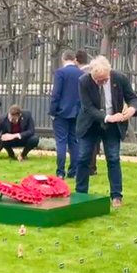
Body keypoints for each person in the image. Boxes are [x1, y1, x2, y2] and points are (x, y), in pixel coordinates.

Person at [74, 56, 137, 208]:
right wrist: (108, 117)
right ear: (92, 75)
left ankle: (116, 195)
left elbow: (133, 98)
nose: (101, 82)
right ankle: (81, 194)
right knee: (83, 158)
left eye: (104, 79)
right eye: (98, 80)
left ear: (109, 72)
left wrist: (131, 109)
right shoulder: (84, 81)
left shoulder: (120, 78)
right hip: (90, 124)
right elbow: (88, 108)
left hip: (113, 127)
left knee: (113, 158)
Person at [49, 49, 83, 178]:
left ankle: (60, 172)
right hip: (76, 112)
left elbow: (56, 94)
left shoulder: (60, 73)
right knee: (74, 142)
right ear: (74, 59)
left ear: (63, 59)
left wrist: (52, 111)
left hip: (61, 113)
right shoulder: (81, 73)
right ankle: (73, 171)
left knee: (61, 142)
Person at [75, 49, 98, 175]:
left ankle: (86, 167)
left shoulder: (82, 75)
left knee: (84, 141)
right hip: (94, 112)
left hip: (84, 111)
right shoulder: (88, 72)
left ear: (76, 60)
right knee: (93, 142)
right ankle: (92, 166)